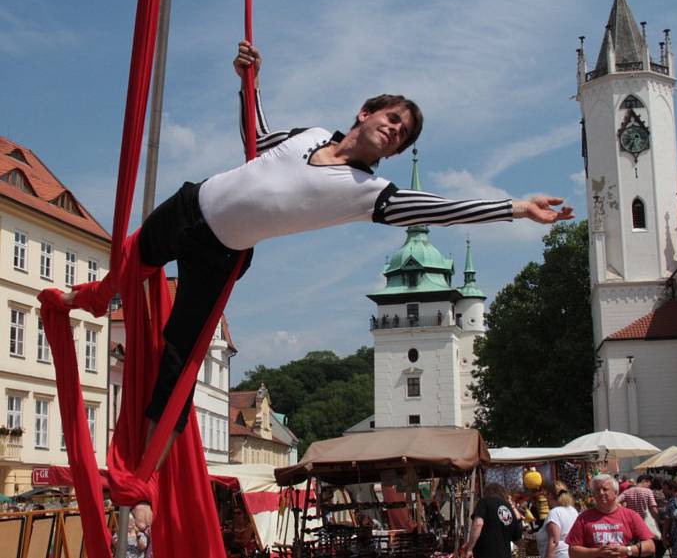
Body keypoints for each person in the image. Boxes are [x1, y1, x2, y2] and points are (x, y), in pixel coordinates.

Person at [62, 41, 574, 526]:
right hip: (191, 204)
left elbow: (443, 207)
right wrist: (248, 82)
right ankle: (88, 298)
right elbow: (258, 138)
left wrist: (516, 208)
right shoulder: (308, 134)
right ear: (365, 112)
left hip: (220, 253)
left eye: (403, 135)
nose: (394, 131)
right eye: (392, 119)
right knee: (130, 262)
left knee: (178, 363)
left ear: (394, 154)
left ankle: (139, 478)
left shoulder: (369, 193)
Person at [566, 473, 655, 558]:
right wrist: (597, 552)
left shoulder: (631, 515)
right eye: (597, 490)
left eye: (605, 489)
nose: (601, 493)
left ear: (616, 492)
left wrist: (626, 550)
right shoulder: (584, 518)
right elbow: (572, 552)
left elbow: (650, 546)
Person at [462, 483, 523, 558]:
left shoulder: (485, 502)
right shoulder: (509, 509)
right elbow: (517, 536)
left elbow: (478, 523)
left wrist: (470, 548)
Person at [537, 481, 580, 558]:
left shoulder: (554, 513)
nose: (545, 498)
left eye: (545, 495)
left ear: (550, 495)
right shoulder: (573, 510)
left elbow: (554, 542)